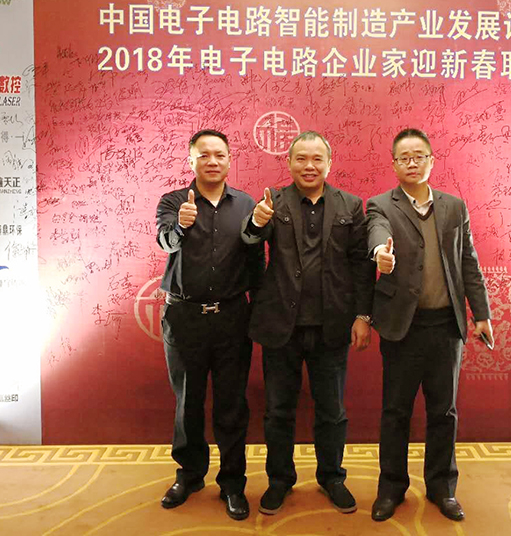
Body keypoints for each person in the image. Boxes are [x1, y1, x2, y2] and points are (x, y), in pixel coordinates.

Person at [241, 131, 375, 516]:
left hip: (332, 326)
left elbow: (361, 265)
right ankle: (279, 480)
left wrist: (363, 316)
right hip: (281, 327)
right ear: (289, 163)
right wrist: (255, 223)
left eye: (317, 159)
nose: (309, 166)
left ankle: (332, 477)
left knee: (332, 410)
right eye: (301, 158)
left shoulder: (350, 205)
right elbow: (249, 243)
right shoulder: (273, 201)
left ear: (329, 163)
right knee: (278, 410)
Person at [366, 128, 494, 523]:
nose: (412, 163)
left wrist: (482, 314)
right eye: (404, 157)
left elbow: (468, 261)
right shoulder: (380, 205)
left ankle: (442, 487)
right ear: (394, 164)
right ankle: (391, 488)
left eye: (418, 156)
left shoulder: (454, 207)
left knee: (444, 411)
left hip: (445, 326)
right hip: (402, 327)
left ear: (431, 161)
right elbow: (377, 233)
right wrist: (380, 254)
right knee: (395, 411)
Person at [155, 129, 264, 521]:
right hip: (185, 317)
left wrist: (257, 312)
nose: (212, 161)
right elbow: (165, 242)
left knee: (232, 404)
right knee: (188, 402)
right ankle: (189, 475)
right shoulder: (173, 201)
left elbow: (255, 261)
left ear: (230, 159)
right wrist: (181, 226)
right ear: (192, 160)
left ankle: (233, 483)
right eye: (204, 155)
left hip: (232, 317)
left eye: (219, 154)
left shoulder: (246, 204)